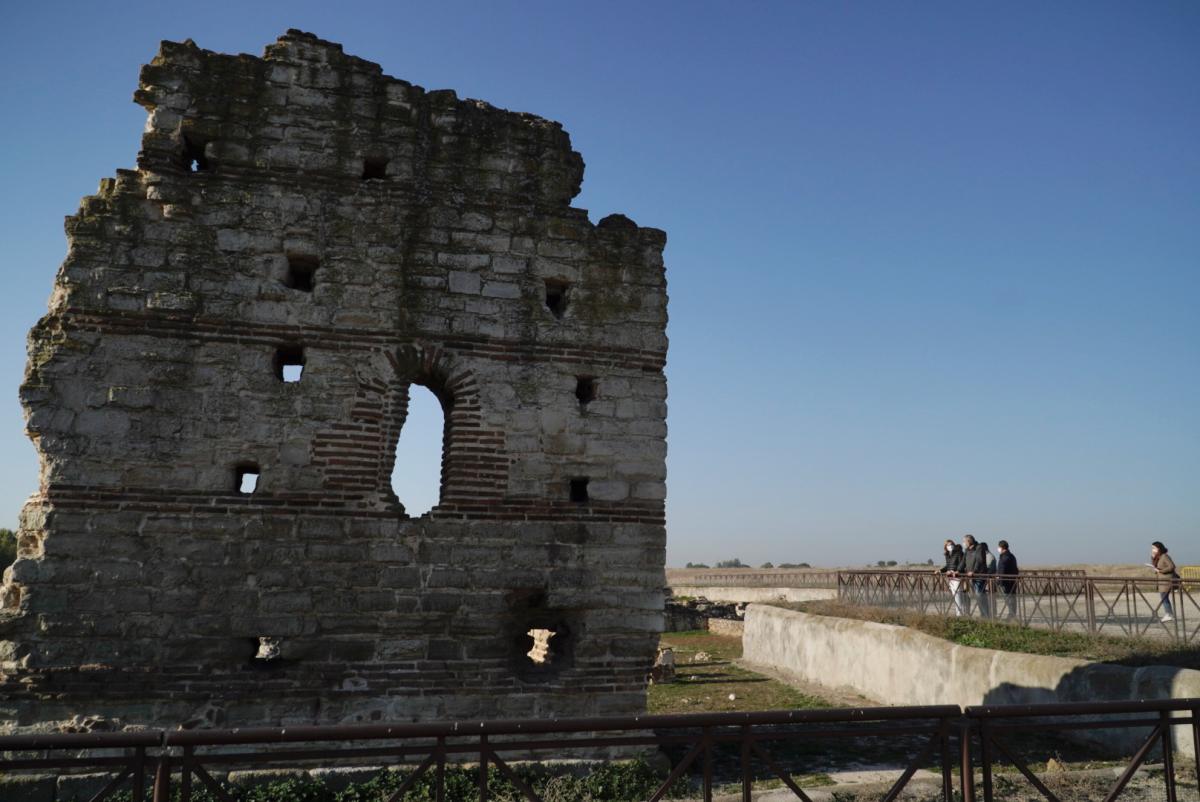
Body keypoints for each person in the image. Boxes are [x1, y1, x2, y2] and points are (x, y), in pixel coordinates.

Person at [936, 539, 967, 616]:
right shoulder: (948, 554)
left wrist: (954, 571)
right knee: (955, 596)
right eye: (948, 545)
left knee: (958, 595)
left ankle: (960, 614)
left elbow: (961, 565)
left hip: (957, 576)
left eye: (951, 544)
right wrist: (940, 570)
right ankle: (959, 613)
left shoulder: (958, 553)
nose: (950, 546)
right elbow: (948, 566)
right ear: (945, 547)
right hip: (951, 578)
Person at [962, 535, 990, 618]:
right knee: (978, 597)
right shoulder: (967, 550)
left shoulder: (979, 548)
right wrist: (957, 570)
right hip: (972, 576)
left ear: (969, 541)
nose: (963, 543)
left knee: (980, 596)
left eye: (964, 541)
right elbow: (963, 562)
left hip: (979, 576)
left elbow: (980, 561)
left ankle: (985, 615)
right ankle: (984, 615)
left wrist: (974, 571)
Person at [1150, 541, 1179, 623]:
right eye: (1152, 548)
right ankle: (1169, 614)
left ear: (1159, 548)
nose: (1152, 550)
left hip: (1166, 580)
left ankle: (1169, 614)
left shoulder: (1164, 556)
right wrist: (1153, 558)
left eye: (1154, 548)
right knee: (1164, 597)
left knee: (1164, 597)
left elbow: (1172, 566)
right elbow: (1155, 567)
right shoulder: (1158, 557)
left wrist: (1161, 571)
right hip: (1162, 581)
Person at [996, 540, 1019, 620]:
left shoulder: (1004, 557)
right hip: (1012, 581)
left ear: (1001, 548)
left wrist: (999, 582)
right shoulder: (1011, 556)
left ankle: (1011, 616)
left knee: (1009, 599)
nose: (997, 549)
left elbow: (1002, 570)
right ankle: (1012, 615)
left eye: (998, 547)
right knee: (1012, 599)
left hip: (1006, 582)